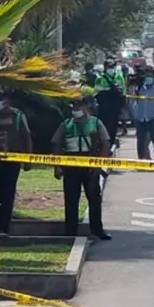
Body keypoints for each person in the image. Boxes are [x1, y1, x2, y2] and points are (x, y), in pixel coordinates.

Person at [51, 96, 111, 240]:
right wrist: (57, 166)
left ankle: (97, 230)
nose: (76, 109)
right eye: (74, 106)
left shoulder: (96, 122)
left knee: (94, 199)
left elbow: (106, 143)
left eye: (79, 106)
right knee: (71, 200)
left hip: (90, 166)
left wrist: (99, 163)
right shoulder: (66, 124)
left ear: (86, 107)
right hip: (71, 166)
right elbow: (56, 145)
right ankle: (70, 233)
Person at [0, 92, 32, 234]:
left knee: (8, 193)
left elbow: (26, 137)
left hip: (12, 161)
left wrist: (28, 159)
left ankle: (5, 226)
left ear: (6, 102)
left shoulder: (18, 116)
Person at [130, 67, 154, 161]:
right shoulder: (139, 89)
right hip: (141, 119)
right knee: (140, 142)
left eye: (150, 76)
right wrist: (136, 114)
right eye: (147, 76)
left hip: (152, 119)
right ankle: (141, 160)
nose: (148, 78)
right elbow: (132, 101)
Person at [94, 57, 126, 152]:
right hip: (104, 108)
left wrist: (122, 103)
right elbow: (96, 93)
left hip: (115, 108)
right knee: (104, 129)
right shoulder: (100, 78)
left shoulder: (119, 76)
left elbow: (123, 91)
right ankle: (103, 148)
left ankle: (110, 147)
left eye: (112, 67)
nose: (111, 69)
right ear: (105, 67)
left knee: (113, 129)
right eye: (109, 67)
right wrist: (108, 92)